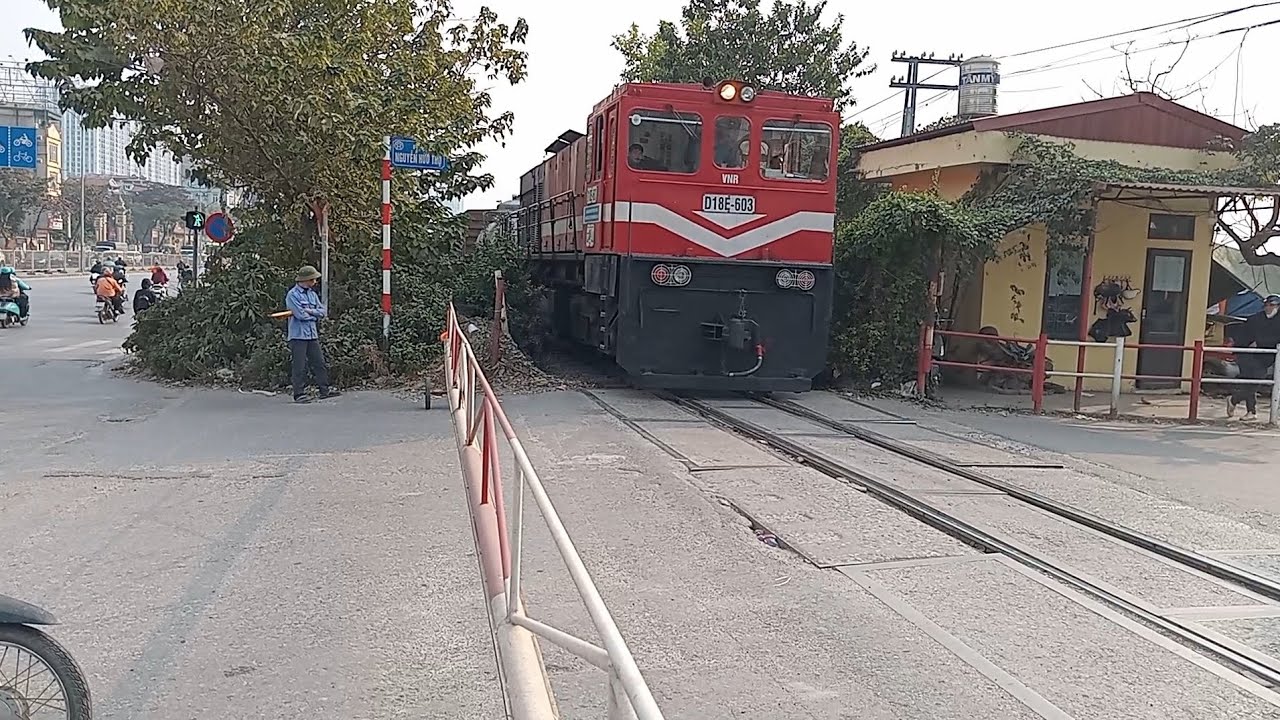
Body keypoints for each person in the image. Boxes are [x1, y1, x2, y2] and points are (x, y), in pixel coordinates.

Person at [285, 265, 340, 404]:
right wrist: (312, 313)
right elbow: (300, 315)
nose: (315, 282)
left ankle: (324, 390)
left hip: (311, 334)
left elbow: (322, 312)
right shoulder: (292, 295)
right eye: (313, 279)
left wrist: (310, 312)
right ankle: (299, 393)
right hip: (298, 335)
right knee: (299, 365)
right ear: (306, 279)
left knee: (319, 362)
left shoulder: (312, 294)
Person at [1228, 294, 1280, 421]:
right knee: (1251, 381)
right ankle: (1251, 411)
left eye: (1272, 305)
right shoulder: (1254, 319)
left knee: (1253, 383)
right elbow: (1243, 337)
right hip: (1247, 354)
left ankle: (1234, 399)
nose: (1268, 307)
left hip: (1266, 356)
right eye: (1266, 305)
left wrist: (1261, 343)